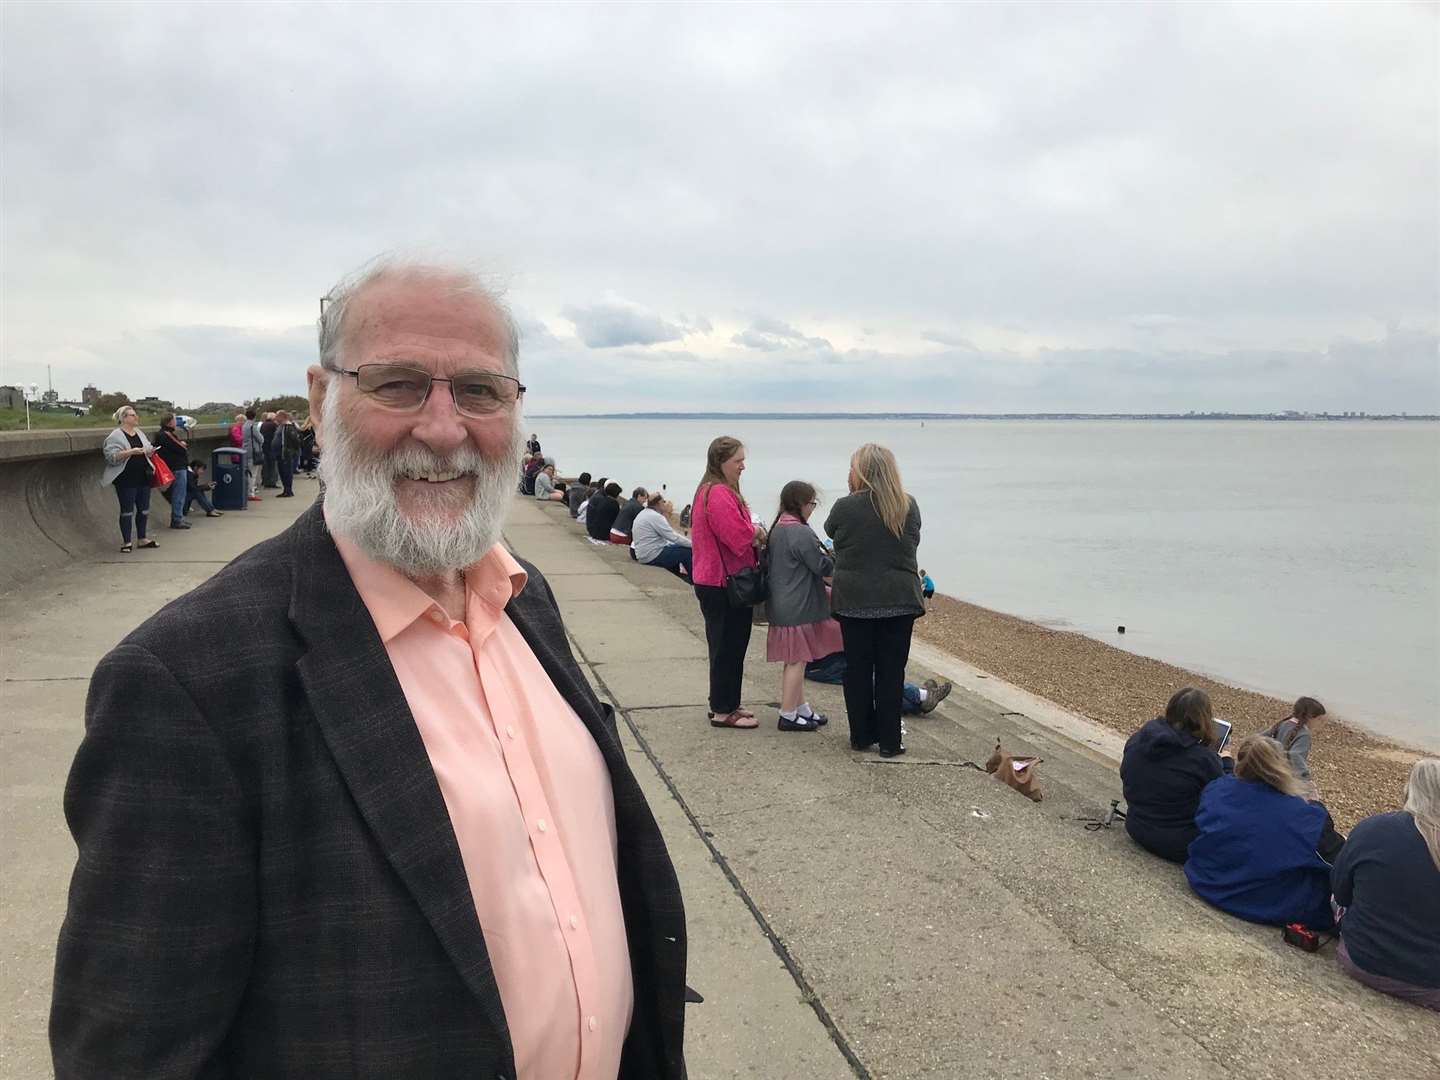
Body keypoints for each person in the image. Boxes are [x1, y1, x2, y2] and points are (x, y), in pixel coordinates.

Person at [51, 258, 688, 1079]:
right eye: (397, 385)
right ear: (321, 402)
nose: (444, 428)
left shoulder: (525, 598)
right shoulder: (186, 682)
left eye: (481, 392)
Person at [825, 443, 923, 757]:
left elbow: (832, 534)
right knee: (892, 671)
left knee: (857, 670)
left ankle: (861, 736)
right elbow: (913, 542)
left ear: (861, 473)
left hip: (855, 601)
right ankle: (890, 741)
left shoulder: (845, 506)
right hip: (899, 599)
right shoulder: (908, 506)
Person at [1184, 735, 1335, 930]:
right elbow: (1339, 860)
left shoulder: (1217, 788)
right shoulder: (1305, 817)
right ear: (1281, 768)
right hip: (1263, 903)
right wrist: (1317, 807)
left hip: (1206, 880)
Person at [1331, 759, 1440, 1011]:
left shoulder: (1374, 828)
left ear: (1409, 790)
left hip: (1363, 961)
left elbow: (1340, 893)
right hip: (1432, 983)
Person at [690, 437, 764, 730]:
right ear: (721, 462)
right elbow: (737, 538)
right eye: (738, 461)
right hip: (722, 582)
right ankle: (723, 709)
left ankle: (727, 702)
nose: (743, 466)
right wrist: (756, 531)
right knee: (727, 646)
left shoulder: (709, 490)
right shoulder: (718, 493)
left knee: (729, 645)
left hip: (716, 579)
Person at [1120, 687, 1230, 863]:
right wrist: (1227, 764)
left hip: (1135, 825)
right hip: (1178, 845)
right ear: (1204, 720)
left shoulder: (1140, 737)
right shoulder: (1203, 759)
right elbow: (1225, 797)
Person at [764, 481, 842, 732]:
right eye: (811, 504)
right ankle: (787, 714)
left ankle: (800, 708)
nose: (812, 509)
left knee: (796, 660)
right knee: (798, 660)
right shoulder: (798, 531)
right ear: (800, 504)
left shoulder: (780, 527)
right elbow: (821, 566)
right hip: (796, 606)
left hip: (784, 603)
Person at [803, 652, 952, 715]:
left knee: (870, 676)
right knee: (870, 678)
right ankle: (921, 696)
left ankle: (919, 700)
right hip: (822, 664)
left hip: (821, 662)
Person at [99, 405, 159, 552]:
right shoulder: (115, 436)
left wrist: (149, 451)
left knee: (144, 509)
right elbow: (111, 457)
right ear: (124, 418)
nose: (136, 417)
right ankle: (126, 542)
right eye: (133, 415)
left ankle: (142, 538)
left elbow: (147, 448)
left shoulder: (139, 433)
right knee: (127, 510)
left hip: (143, 476)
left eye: (135, 415)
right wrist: (130, 452)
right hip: (126, 478)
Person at [1262, 695, 1327, 798]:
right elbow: (1295, 756)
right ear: (1310, 717)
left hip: (1270, 770)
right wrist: (1306, 779)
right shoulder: (1304, 734)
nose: (1321, 724)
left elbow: (1259, 738)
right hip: (1284, 776)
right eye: (1319, 720)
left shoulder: (1283, 723)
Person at [631, 492, 693, 577]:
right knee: (687, 552)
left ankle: (678, 576)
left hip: (643, 554)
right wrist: (693, 544)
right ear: (658, 504)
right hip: (651, 555)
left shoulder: (643, 513)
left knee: (677, 548)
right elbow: (673, 537)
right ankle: (695, 580)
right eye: (663, 502)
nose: (664, 503)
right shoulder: (655, 516)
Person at [153, 413, 192, 530]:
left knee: (177, 494)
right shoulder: (166, 434)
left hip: (173, 467)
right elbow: (181, 448)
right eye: (175, 420)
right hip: (177, 467)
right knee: (179, 494)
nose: (176, 422)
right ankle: (177, 519)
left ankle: (178, 518)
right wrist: (183, 443)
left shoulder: (163, 434)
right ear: (169, 422)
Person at [271, 409, 301, 497]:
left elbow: (295, 440)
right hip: (279, 453)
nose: (276, 418)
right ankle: (286, 489)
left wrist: (291, 451)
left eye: (277, 416)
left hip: (286, 454)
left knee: (286, 472)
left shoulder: (288, 427)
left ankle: (288, 490)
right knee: (282, 472)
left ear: (282, 417)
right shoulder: (280, 426)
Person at [243, 406, 265, 501]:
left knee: (247, 473)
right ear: (254, 416)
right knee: (253, 474)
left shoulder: (244, 426)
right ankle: (251, 494)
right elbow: (260, 439)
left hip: (245, 451)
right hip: (253, 452)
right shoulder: (252, 426)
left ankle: (247, 492)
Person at [260, 411, 280, 488]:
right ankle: (272, 482)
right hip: (271, 447)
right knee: (272, 466)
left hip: (264, 447)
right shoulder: (274, 425)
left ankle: (265, 481)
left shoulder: (263, 425)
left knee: (266, 466)